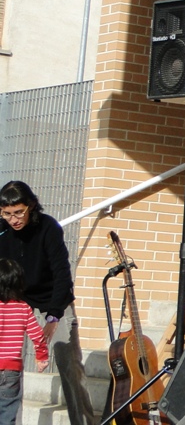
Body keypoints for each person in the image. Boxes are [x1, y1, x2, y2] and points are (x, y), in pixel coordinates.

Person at [0, 181, 96, 425]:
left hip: (53, 297)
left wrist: (54, 317)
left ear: (31, 206)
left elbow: (62, 273)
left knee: (69, 362)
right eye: (7, 214)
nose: (14, 220)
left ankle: (82, 421)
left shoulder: (48, 227)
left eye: (19, 212)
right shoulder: (1, 229)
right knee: (8, 365)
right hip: (15, 298)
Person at [0, 258, 49, 425]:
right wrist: (41, 357)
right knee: (7, 412)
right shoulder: (23, 308)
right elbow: (38, 335)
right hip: (11, 371)